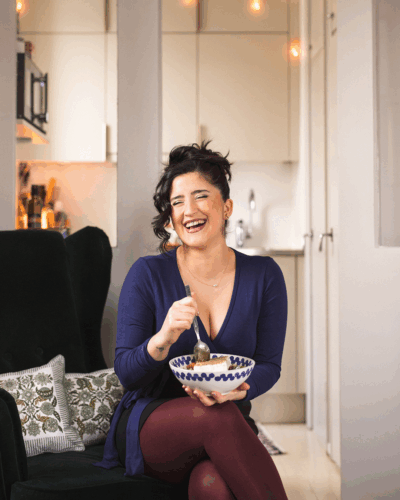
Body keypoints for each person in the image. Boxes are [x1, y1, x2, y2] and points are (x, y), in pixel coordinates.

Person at [94, 140, 289, 500]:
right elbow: (127, 373)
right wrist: (163, 338)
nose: (189, 210)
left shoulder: (264, 275)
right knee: (217, 418)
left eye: (201, 196)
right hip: (153, 422)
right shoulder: (148, 274)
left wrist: (239, 390)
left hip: (228, 414)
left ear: (226, 206)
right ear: (170, 218)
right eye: (178, 202)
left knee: (212, 485)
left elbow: (269, 365)